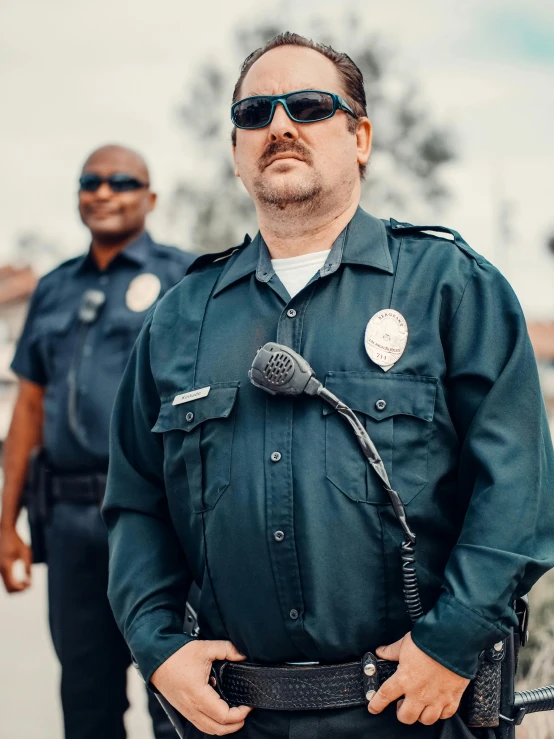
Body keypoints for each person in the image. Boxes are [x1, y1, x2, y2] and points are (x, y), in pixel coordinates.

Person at [102, 34, 554, 739]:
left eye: (308, 106)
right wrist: (157, 648)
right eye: (254, 112)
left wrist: (454, 637)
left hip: (413, 711)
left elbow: (518, 491)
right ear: (236, 150)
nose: (279, 125)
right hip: (231, 719)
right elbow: (134, 501)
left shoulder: (451, 286)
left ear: (361, 136)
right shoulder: (178, 318)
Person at [0, 144, 194, 739]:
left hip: (162, 519)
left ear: (150, 198)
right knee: (85, 698)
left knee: (180, 699)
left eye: (121, 181)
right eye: (91, 181)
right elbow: (29, 407)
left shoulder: (185, 278)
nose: (104, 191)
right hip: (71, 521)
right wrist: (6, 524)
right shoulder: (55, 290)